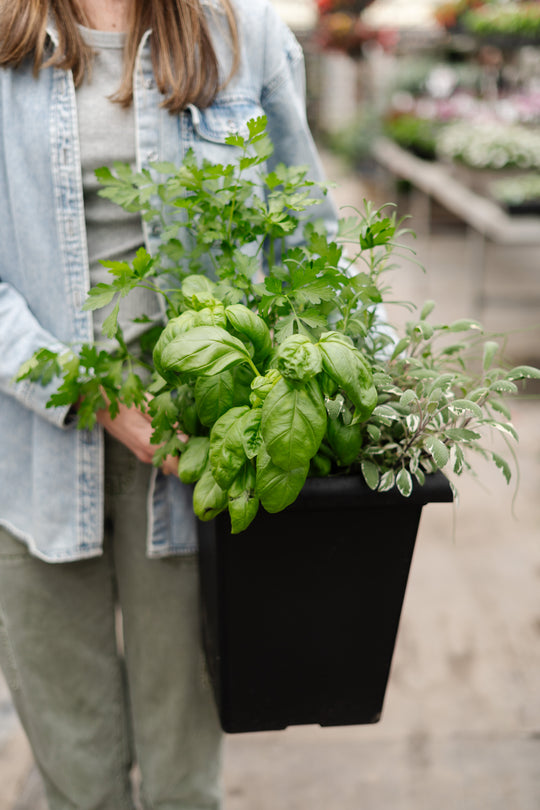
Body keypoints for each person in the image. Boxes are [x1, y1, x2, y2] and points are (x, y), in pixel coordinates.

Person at [0, 0, 338, 807]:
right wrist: (89, 390)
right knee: (76, 778)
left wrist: (387, 399)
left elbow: (306, 238)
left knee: (186, 778)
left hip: (197, 468)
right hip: (33, 464)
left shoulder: (242, 33)